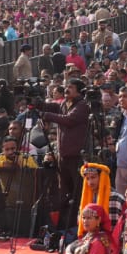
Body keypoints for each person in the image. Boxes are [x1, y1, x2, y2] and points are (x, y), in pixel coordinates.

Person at [36, 79, 92, 224]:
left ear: (79, 90)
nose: (67, 89)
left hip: (77, 157)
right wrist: (36, 102)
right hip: (63, 156)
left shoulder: (83, 105)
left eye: (71, 87)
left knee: (78, 192)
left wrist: (47, 116)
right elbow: (49, 107)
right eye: (66, 86)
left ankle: (77, 224)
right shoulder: (63, 104)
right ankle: (65, 224)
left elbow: (69, 120)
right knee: (64, 193)